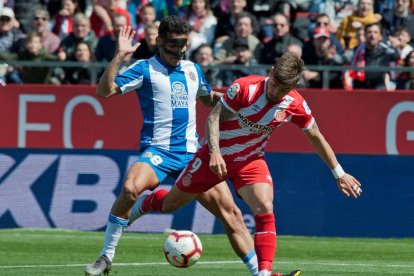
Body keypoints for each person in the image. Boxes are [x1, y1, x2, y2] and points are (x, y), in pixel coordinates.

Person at [133, 52, 363, 276]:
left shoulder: (294, 104)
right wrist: (214, 152)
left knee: (265, 206)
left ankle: (263, 272)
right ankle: (145, 203)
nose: (276, 92)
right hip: (214, 158)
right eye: (274, 85)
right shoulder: (244, 88)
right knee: (171, 204)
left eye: (283, 89)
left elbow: (315, 136)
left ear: (295, 85)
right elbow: (213, 117)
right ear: (270, 73)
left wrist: (339, 173)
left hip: (250, 160)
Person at [84, 16, 258, 276]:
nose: (178, 52)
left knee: (231, 213)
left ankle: (261, 273)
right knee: (131, 189)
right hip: (158, 151)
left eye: (183, 46)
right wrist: (119, 56)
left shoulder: (192, 69)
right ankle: (106, 257)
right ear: (159, 41)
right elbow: (104, 92)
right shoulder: (144, 69)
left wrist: (234, 101)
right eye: (172, 46)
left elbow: (208, 99)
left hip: (192, 155)